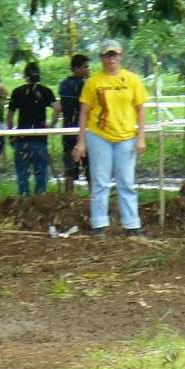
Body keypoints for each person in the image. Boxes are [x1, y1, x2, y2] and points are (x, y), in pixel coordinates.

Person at [72, 39, 148, 236]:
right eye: (107, 54)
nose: (111, 58)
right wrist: (81, 141)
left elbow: (140, 109)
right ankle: (99, 224)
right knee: (100, 181)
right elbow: (84, 112)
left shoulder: (132, 80)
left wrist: (141, 137)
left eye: (114, 54)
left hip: (126, 136)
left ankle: (131, 224)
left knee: (127, 181)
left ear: (120, 56)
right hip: (100, 136)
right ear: (102, 58)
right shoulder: (93, 82)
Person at [7, 62, 60, 197]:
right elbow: (58, 108)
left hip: (22, 137)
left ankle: (24, 199)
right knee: (40, 172)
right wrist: (51, 126)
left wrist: (10, 133)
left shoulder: (18, 92)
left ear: (25, 76)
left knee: (22, 173)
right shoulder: (45, 91)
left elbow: (10, 114)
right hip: (39, 138)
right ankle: (40, 200)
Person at [59, 53, 90, 194]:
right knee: (90, 168)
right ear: (76, 68)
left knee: (69, 171)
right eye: (85, 67)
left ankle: (68, 198)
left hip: (67, 130)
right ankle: (94, 198)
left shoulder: (63, 85)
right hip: (84, 131)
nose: (88, 70)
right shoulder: (85, 86)